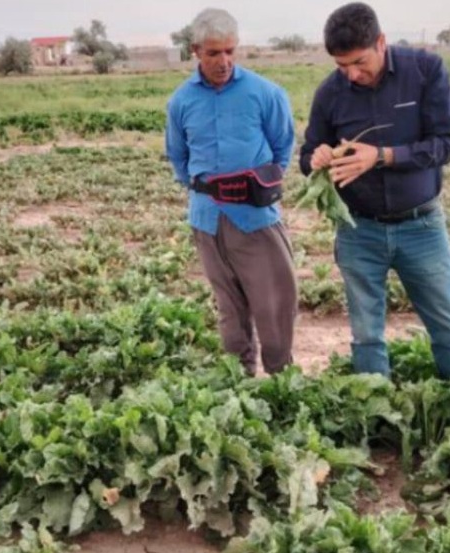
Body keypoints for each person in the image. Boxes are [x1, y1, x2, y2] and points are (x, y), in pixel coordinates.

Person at [299, 2, 450, 380]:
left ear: (381, 42)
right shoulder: (330, 93)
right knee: (366, 336)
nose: (352, 74)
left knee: (448, 328)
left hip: (421, 226)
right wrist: (318, 158)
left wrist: (381, 156)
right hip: (359, 231)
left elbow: (446, 143)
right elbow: (307, 154)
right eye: (341, 66)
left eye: (359, 62)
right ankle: (376, 420)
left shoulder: (425, 71)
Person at [165, 8, 297, 375]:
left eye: (230, 51)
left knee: (274, 304)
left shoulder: (265, 93)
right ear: (195, 51)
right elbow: (178, 156)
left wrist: (258, 188)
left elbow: (283, 146)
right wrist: (206, 191)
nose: (223, 61)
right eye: (213, 53)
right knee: (229, 308)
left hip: (255, 217)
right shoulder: (181, 102)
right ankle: (238, 380)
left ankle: (279, 380)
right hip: (207, 219)